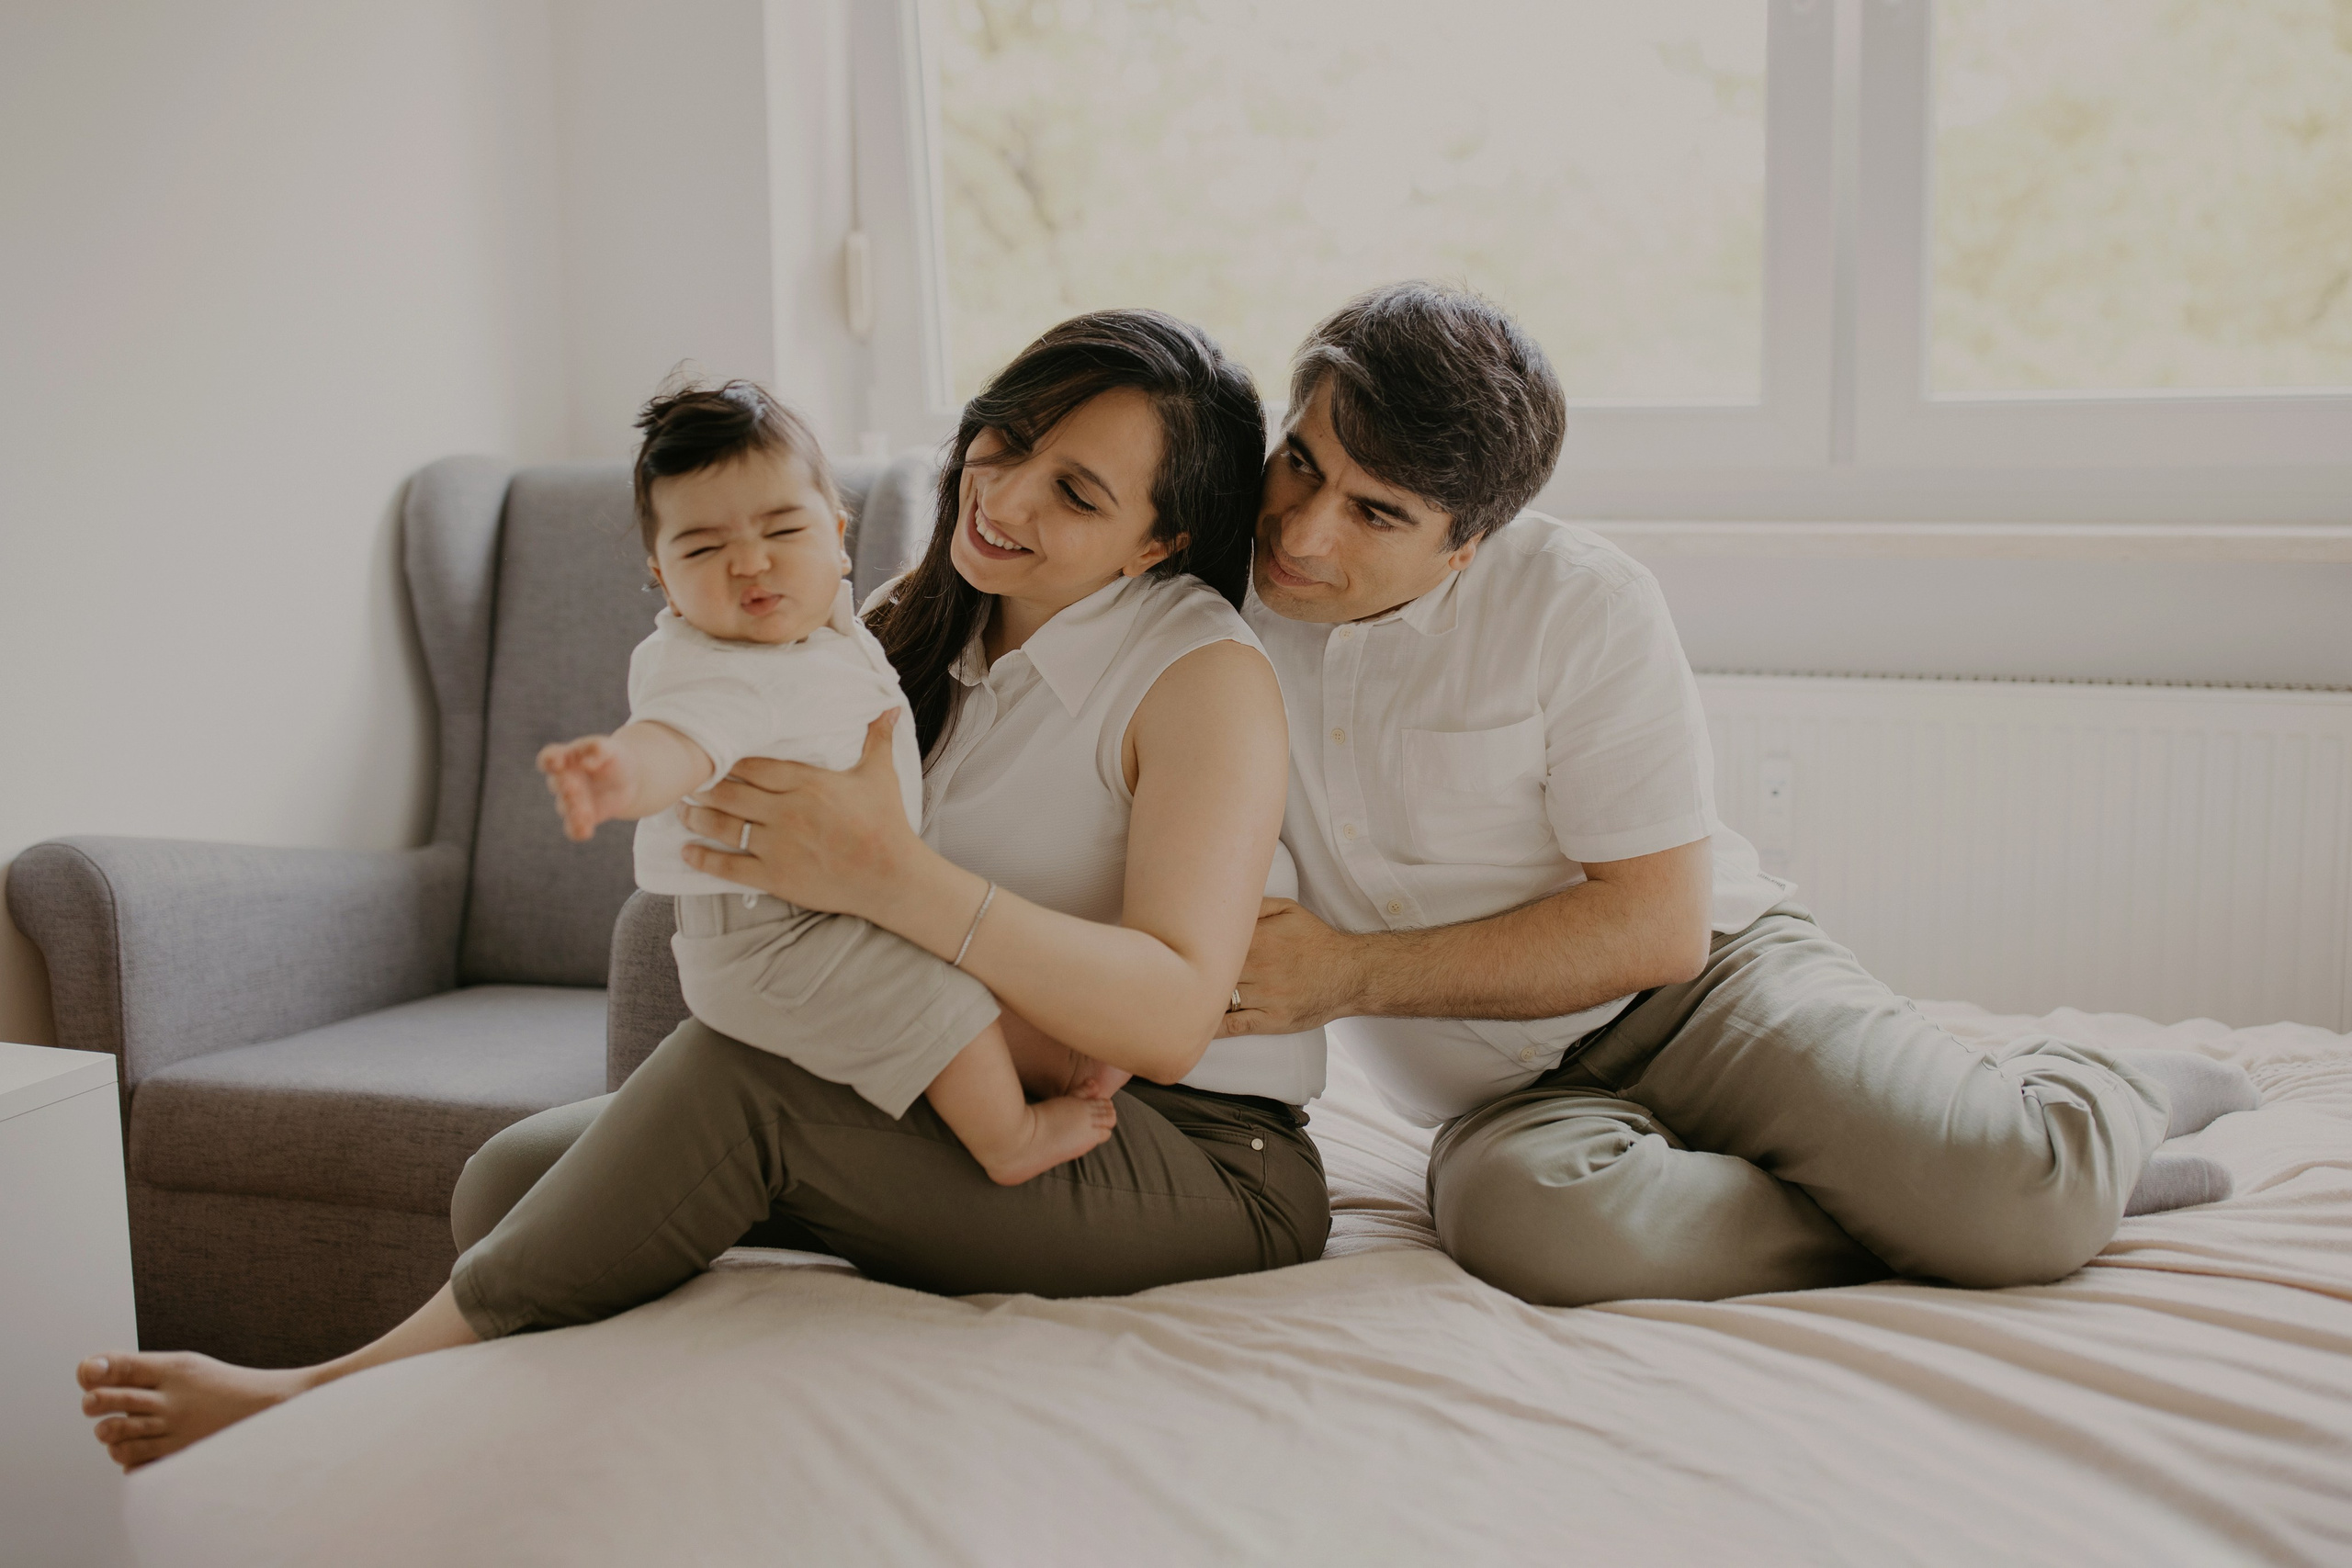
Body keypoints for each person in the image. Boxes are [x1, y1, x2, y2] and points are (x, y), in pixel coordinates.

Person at [78, 309, 1329, 1469]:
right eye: (1004, 441)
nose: (1001, 496)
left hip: (1192, 1149)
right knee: (509, 1182)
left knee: (737, 1086)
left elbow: (1173, 1017)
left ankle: (316, 1398)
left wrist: (894, 878)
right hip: (962, 1060)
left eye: (1076, 491)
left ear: (1159, 538)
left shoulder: (1199, 677)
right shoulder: (912, 618)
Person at [1222, 280, 2259, 1308]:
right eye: (1300, 460)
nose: (1301, 534)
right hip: (1509, 1100)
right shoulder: (1210, 604)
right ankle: (1938, 1197)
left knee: (2014, 1209)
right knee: (1525, 1229)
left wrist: (1346, 974)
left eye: (1375, 513)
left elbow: (1655, 929)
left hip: (1708, 993)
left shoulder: (1581, 605)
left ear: (1468, 540)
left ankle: (2077, 1109)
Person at [539, 378, 1123, 1185]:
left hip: (824, 911)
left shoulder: (833, 631)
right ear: (664, 579)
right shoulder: (718, 668)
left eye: (783, 529)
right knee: (937, 1003)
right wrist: (621, 775)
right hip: (775, 944)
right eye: (702, 549)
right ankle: (1008, 1137)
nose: (750, 561)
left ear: (838, 539)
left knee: (958, 969)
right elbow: (675, 740)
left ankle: (1064, 1060)